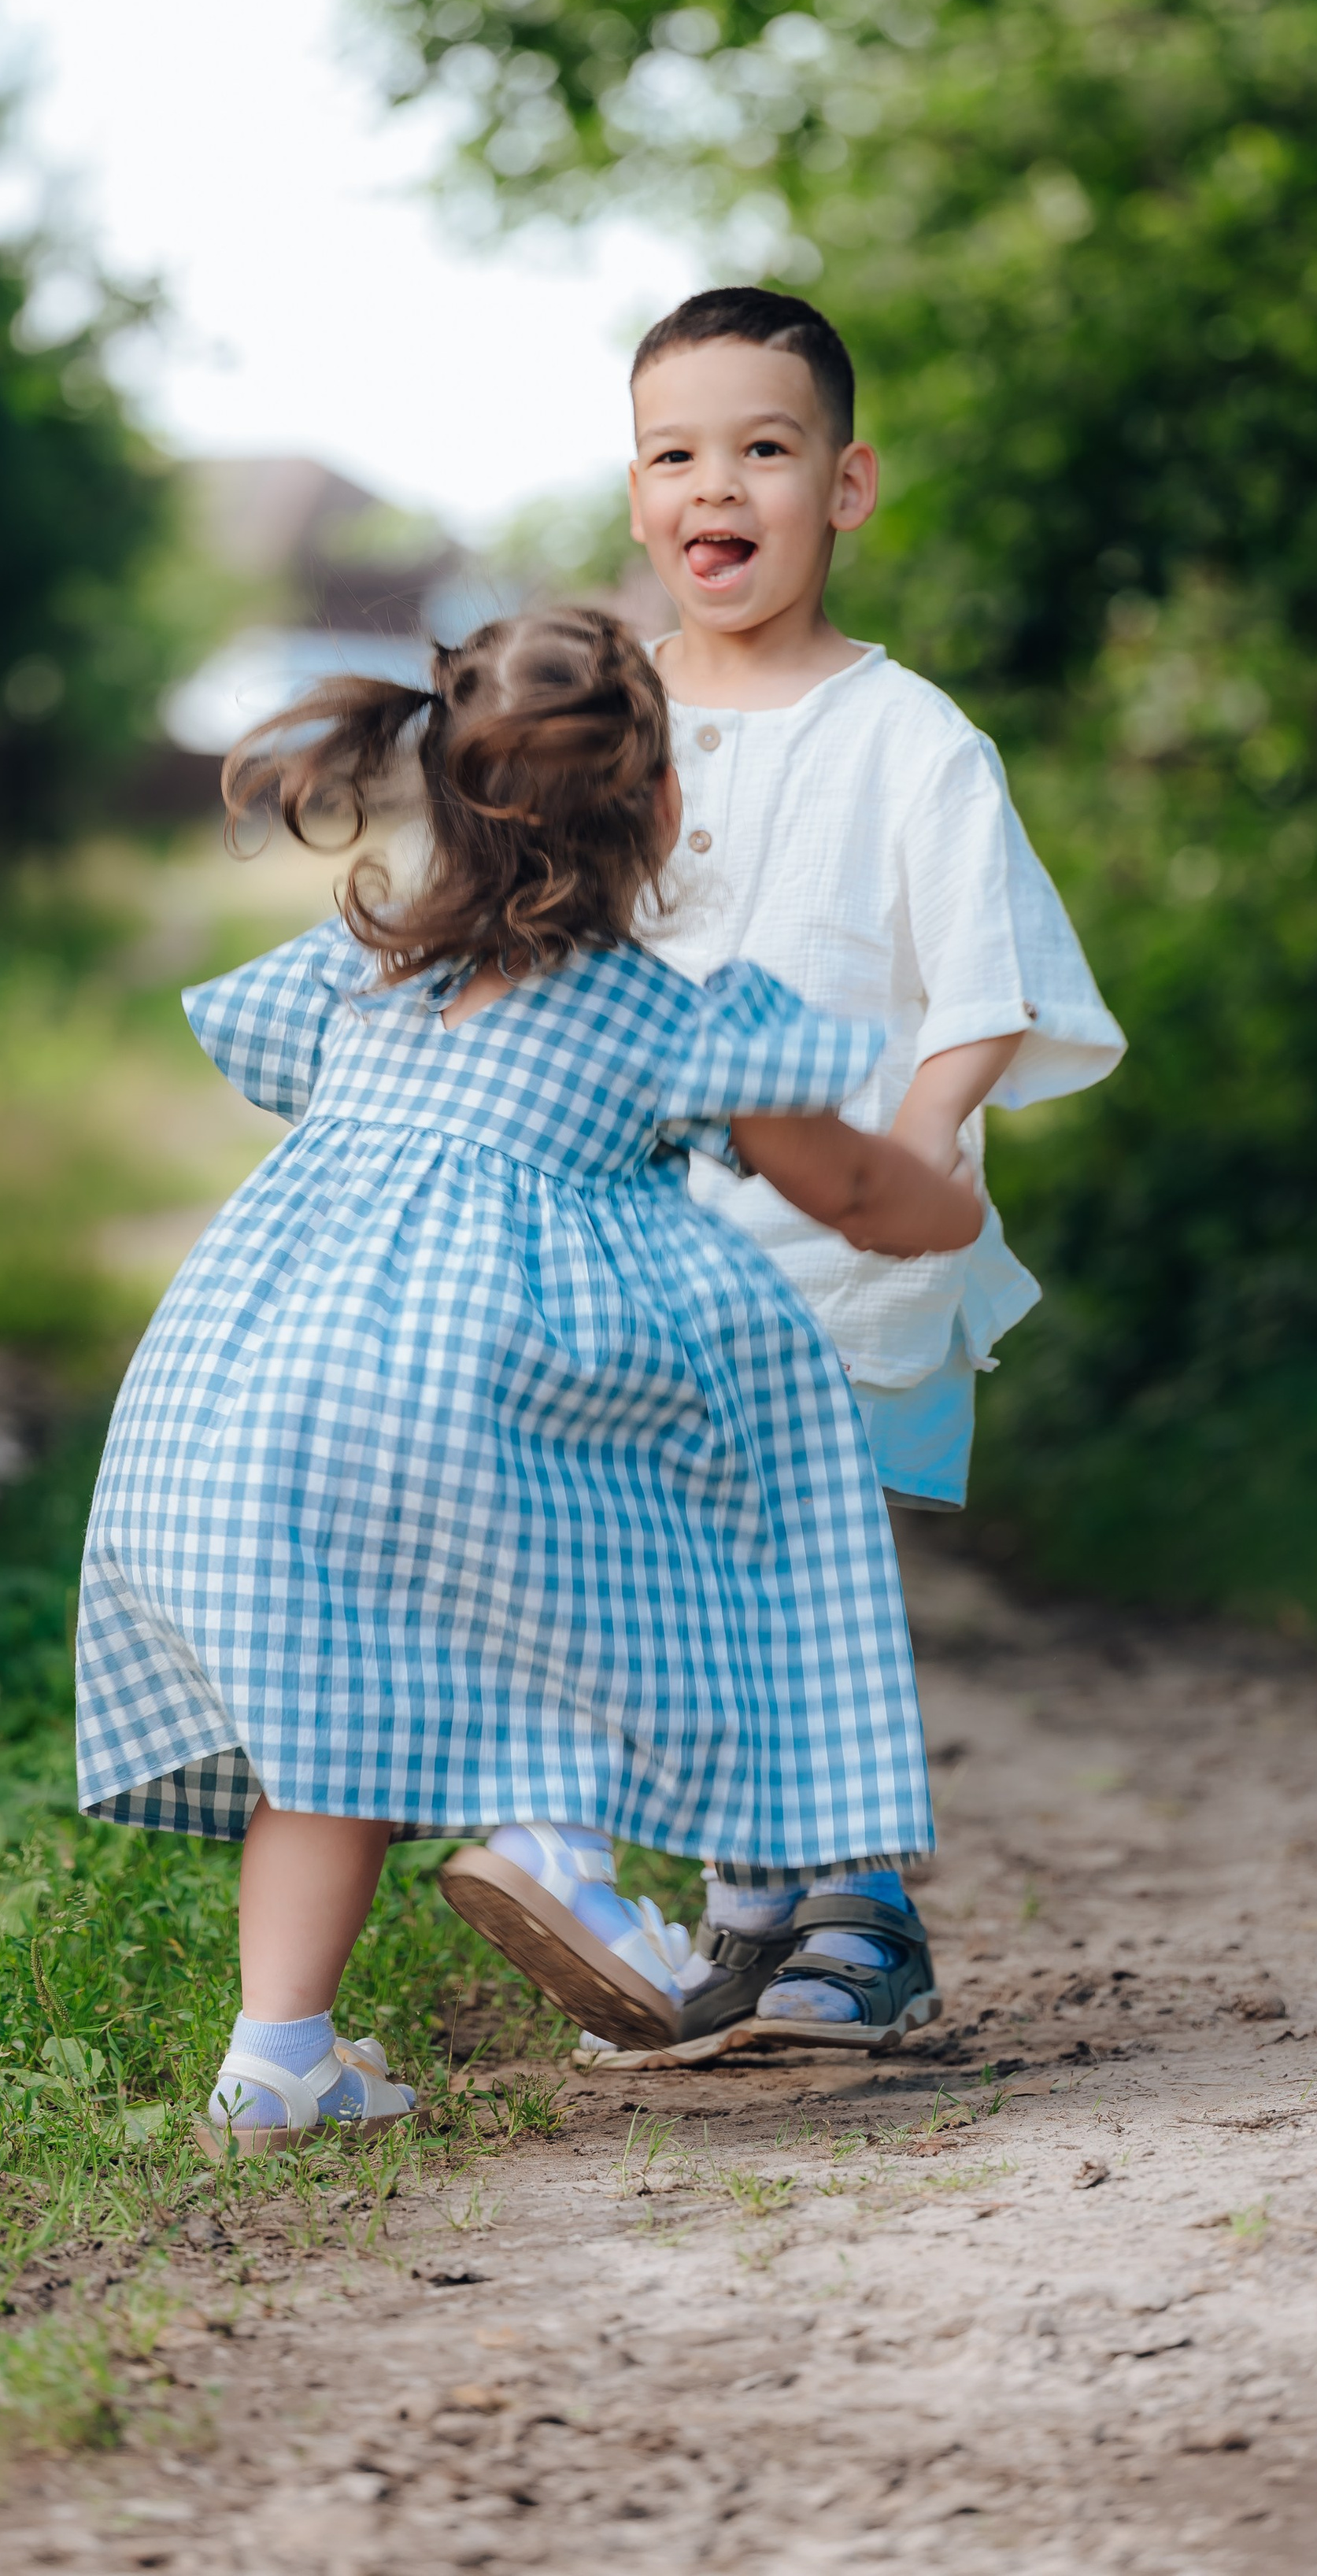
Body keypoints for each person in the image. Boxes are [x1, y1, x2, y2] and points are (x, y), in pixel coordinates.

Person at [73, 605, 981, 2147]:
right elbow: (846, 1191)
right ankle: (557, 1844)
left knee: (326, 1724)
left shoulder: (353, 977)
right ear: (662, 811)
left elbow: (281, 1072)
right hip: (460, 1393)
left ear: (441, 797)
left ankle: (277, 2056)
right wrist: (936, 1186)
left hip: (242, 1413)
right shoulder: (654, 1015)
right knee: (632, 1541)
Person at [454, 291, 1124, 2061]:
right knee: (635, 1572)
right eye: (677, 453)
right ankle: (743, 1908)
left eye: (763, 446)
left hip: (830, 1254)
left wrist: (916, 1152)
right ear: (633, 495)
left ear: (845, 485)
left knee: (793, 1586)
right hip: (623, 1251)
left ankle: (862, 1910)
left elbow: (988, 974)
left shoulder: (906, 736)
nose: (716, 485)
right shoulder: (608, 723)